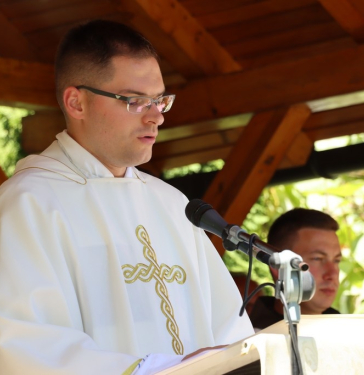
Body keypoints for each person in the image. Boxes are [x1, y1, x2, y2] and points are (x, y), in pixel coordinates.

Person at [0, 20, 254, 375]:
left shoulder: (172, 204)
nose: (156, 117)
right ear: (76, 102)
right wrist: (149, 369)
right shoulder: (28, 205)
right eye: (136, 101)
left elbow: (230, 332)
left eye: (161, 100)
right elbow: (24, 342)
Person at [249, 208, 342, 330]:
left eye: (336, 260)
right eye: (317, 259)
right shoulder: (248, 341)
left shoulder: (348, 332)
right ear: (279, 267)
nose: (332, 274)